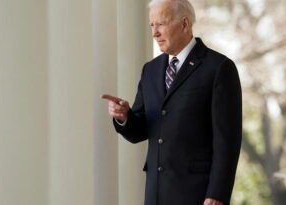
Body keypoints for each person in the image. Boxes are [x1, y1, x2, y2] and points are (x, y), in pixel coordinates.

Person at [101, 0, 242, 204]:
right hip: (156, 193)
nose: (154, 32)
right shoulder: (150, 70)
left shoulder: (219, 68)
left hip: (198, 194)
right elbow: (140, 130)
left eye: (161, 24)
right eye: (151, 25)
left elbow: (227, 141)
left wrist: (217, 194)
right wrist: (124, 117)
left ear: (185, 24)